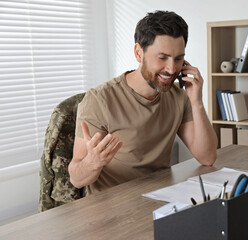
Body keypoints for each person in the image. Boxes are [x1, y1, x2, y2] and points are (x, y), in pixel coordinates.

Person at [68, 10, 217, 195]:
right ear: (139, 53)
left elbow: (208, 157)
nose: (171, 69)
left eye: (178, 59)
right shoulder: (99, 100)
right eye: (162, 58)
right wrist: (93, 162)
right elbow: (76, 179)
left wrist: (197, 102)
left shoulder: (178, 95)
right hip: (113, 210)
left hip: (159, 199)